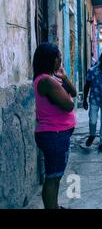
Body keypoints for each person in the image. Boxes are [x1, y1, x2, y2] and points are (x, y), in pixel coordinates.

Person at [33, 43, 77, 209]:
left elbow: (72, 92)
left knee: (55, 176)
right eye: (58, 57)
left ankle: (55, 206)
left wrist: (64, 77)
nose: (60, 60)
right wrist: (61, 87)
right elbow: (69, 105)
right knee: (52, 178)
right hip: (54, 134)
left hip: (57, 134)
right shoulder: (46, 80)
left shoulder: (52, 78)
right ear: (49, 60)